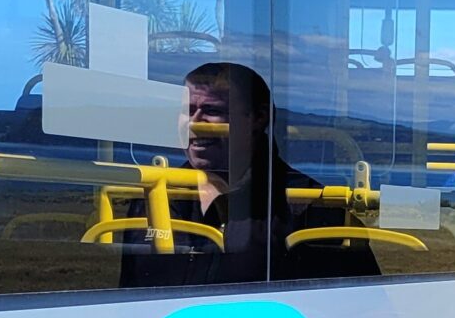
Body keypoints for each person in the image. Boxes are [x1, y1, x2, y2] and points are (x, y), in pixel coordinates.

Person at [121, 61, 372, 286]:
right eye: (187, 111)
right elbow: (127, 302)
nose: (194, 123)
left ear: (258, 117)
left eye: (212, 110)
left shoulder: (311, 207)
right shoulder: (152, 200)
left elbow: (358, 313)